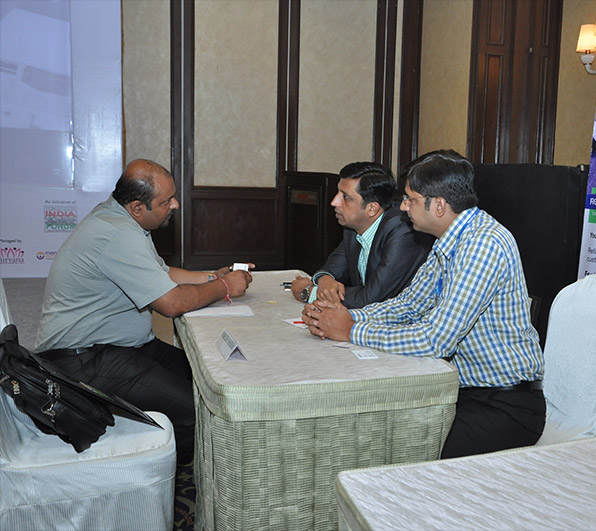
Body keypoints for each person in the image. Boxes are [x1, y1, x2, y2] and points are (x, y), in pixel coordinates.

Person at [302, 150, 545, 458]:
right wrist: (343, 315)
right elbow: (408, 306)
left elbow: (436, 339)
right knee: (377, 438)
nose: (403, 207)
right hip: (458, 390)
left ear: (438, 205)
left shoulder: (483, 244)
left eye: (410, 199)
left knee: (414, 458)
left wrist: (351, 331)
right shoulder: (449, 241)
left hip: (503, 404)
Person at [35, 159, 254, 463]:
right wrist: (225, 287)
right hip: (83, 360)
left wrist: (212, 277)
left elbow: (161, 274)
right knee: (198, 409)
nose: (175, 205)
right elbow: (171, 304)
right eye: (167, 201)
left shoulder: (121, 218)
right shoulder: (117, 234)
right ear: (138, 207)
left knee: (210, 376)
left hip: (122, 347)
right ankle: (165, 476)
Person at [290, 162, 430, 309]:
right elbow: (334, 267)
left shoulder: (402, 230)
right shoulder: (354, 226)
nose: (334, 202)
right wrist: (325, 279)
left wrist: (311, 293)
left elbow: (373, 298)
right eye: (338, 193)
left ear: (372, 208)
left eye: (345, 197)